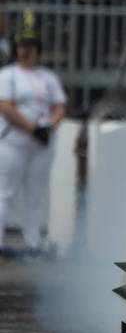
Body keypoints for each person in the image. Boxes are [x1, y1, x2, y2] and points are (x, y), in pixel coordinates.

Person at [0, 15, 66, 255]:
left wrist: (49, 127)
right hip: (14, 141)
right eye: (22, 45)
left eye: (30, 45)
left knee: (35, 194)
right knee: (5, 192)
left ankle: (33, 243)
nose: (25, 50)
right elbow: (5, 106)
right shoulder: (8, 75)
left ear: (37, 49)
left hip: (42, 142)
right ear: (16, 49)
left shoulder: (48, 77)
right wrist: (33, 128)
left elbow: (59, 106)